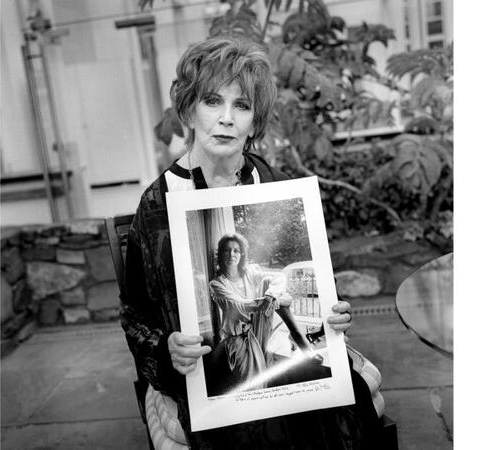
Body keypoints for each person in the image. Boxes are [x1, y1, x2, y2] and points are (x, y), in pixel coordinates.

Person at [121, 36, 379, 449]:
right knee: (255, 426)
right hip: (211, 373)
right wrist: (167, 350)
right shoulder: (158, 204)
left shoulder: (273, 184)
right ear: (188, 109)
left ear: (254, 121)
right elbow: (136, 315)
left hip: (269, 347)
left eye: (241, 106)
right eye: (212, 101)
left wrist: (335, 311)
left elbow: (320, 283)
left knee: (338, 397)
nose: (226, 119)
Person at [207, 232, 324, 394]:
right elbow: (238, 306)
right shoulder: (217, 284)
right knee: (253, 384)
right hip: (238, 337)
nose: (231, 254)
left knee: (269, 283)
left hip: (259, 327)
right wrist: (276, 300)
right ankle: (300, 341)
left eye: (236, 250)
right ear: (220, 254)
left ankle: (302, 343)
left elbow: (280, 278)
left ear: (241, 254)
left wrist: (271, 296)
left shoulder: (250, 273)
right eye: (227, 250)